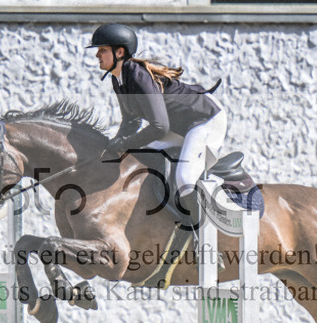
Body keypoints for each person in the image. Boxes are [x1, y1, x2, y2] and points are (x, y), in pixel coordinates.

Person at [87, 23, 225, 229]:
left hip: (205, 119)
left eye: (102, 50)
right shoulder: (119, 79)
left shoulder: (137, 76)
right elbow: (131, 121)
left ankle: (204, 238)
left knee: (185, 178)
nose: (97, 54)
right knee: (140, 162)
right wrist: (113, 145)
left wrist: (124, 143)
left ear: (120, 52)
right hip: (177, 127)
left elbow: (159, 126)